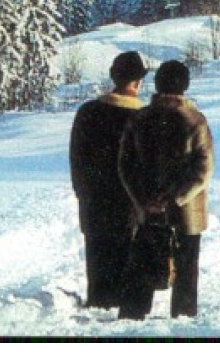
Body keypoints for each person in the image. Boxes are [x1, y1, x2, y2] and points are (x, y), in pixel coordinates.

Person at [117, 59, 214, 320]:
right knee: (186, 266)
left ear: (157, 85)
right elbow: (203, 170)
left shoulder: (139, 118)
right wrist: (176, 198)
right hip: (186, 211)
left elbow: (125, 165)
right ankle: (182, 318)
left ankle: (132, 315)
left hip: (147, 207)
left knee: (142, 260)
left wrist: (142, 199)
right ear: (185, 86)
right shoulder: (195, 120)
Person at [69, 50, 148, 308]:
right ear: (137, 82)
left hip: (93, 200)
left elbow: (76, 159)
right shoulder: (143, 118)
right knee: (126, 254)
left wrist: (83, 193)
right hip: (129, 202)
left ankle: (98, 302)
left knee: (97, 253)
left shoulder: (87, 111)